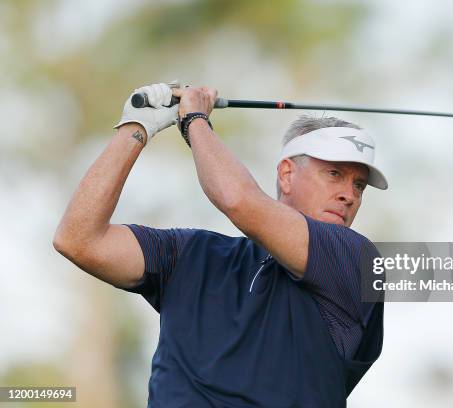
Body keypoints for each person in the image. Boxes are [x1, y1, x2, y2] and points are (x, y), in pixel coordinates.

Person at [53, 82, 388, 407]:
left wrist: (194, 121)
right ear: (287, 174)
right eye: (334, 175)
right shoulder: (192, 254)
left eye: (359, 185)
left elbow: (237, 200)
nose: (349, 195)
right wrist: (136, 127)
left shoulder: (356, 261)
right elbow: (78, 239)